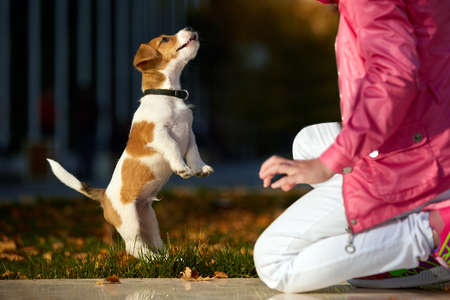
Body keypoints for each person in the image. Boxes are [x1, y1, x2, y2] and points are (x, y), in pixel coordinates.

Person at [254, 0, 450, 293]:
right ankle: (411, 248)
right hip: (433, 135)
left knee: (274, 261)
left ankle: (433, 231)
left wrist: (328, 163)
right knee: (307, 143)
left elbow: (394, 78)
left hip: (421, 161)